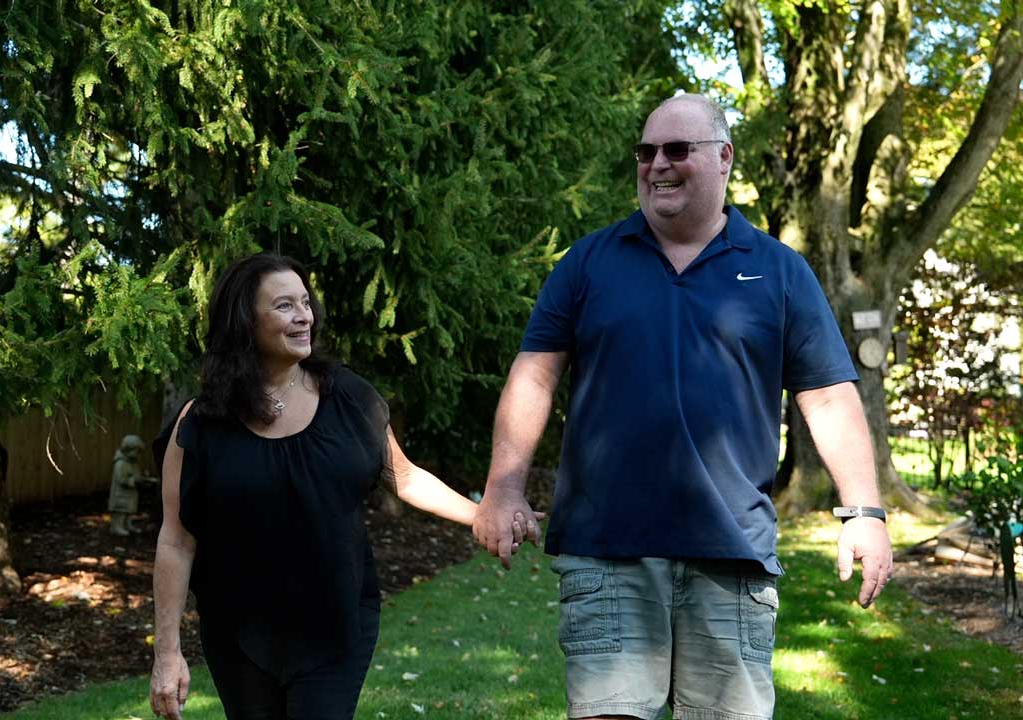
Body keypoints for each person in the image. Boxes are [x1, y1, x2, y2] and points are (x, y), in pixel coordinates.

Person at [473, 94, 894, 720]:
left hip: (732, 554)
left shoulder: (780, 271)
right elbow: (535, 375)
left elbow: (829, 395)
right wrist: (503, 488)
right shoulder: (589, 263)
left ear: (724, 158)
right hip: (607, 550)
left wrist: (863, 512)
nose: (657, 165)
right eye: (646, 152)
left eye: (676, 149)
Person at [148, 253, 494, 720]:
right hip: (240, 637)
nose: (304, 316)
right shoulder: (202, 422)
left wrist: (483, 515)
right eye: (284, 305)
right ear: (245, 321)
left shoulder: (347, 398)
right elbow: (176, 540)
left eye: (305, 303)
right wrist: (167, 653)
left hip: (336, 624)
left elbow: (405, 477)